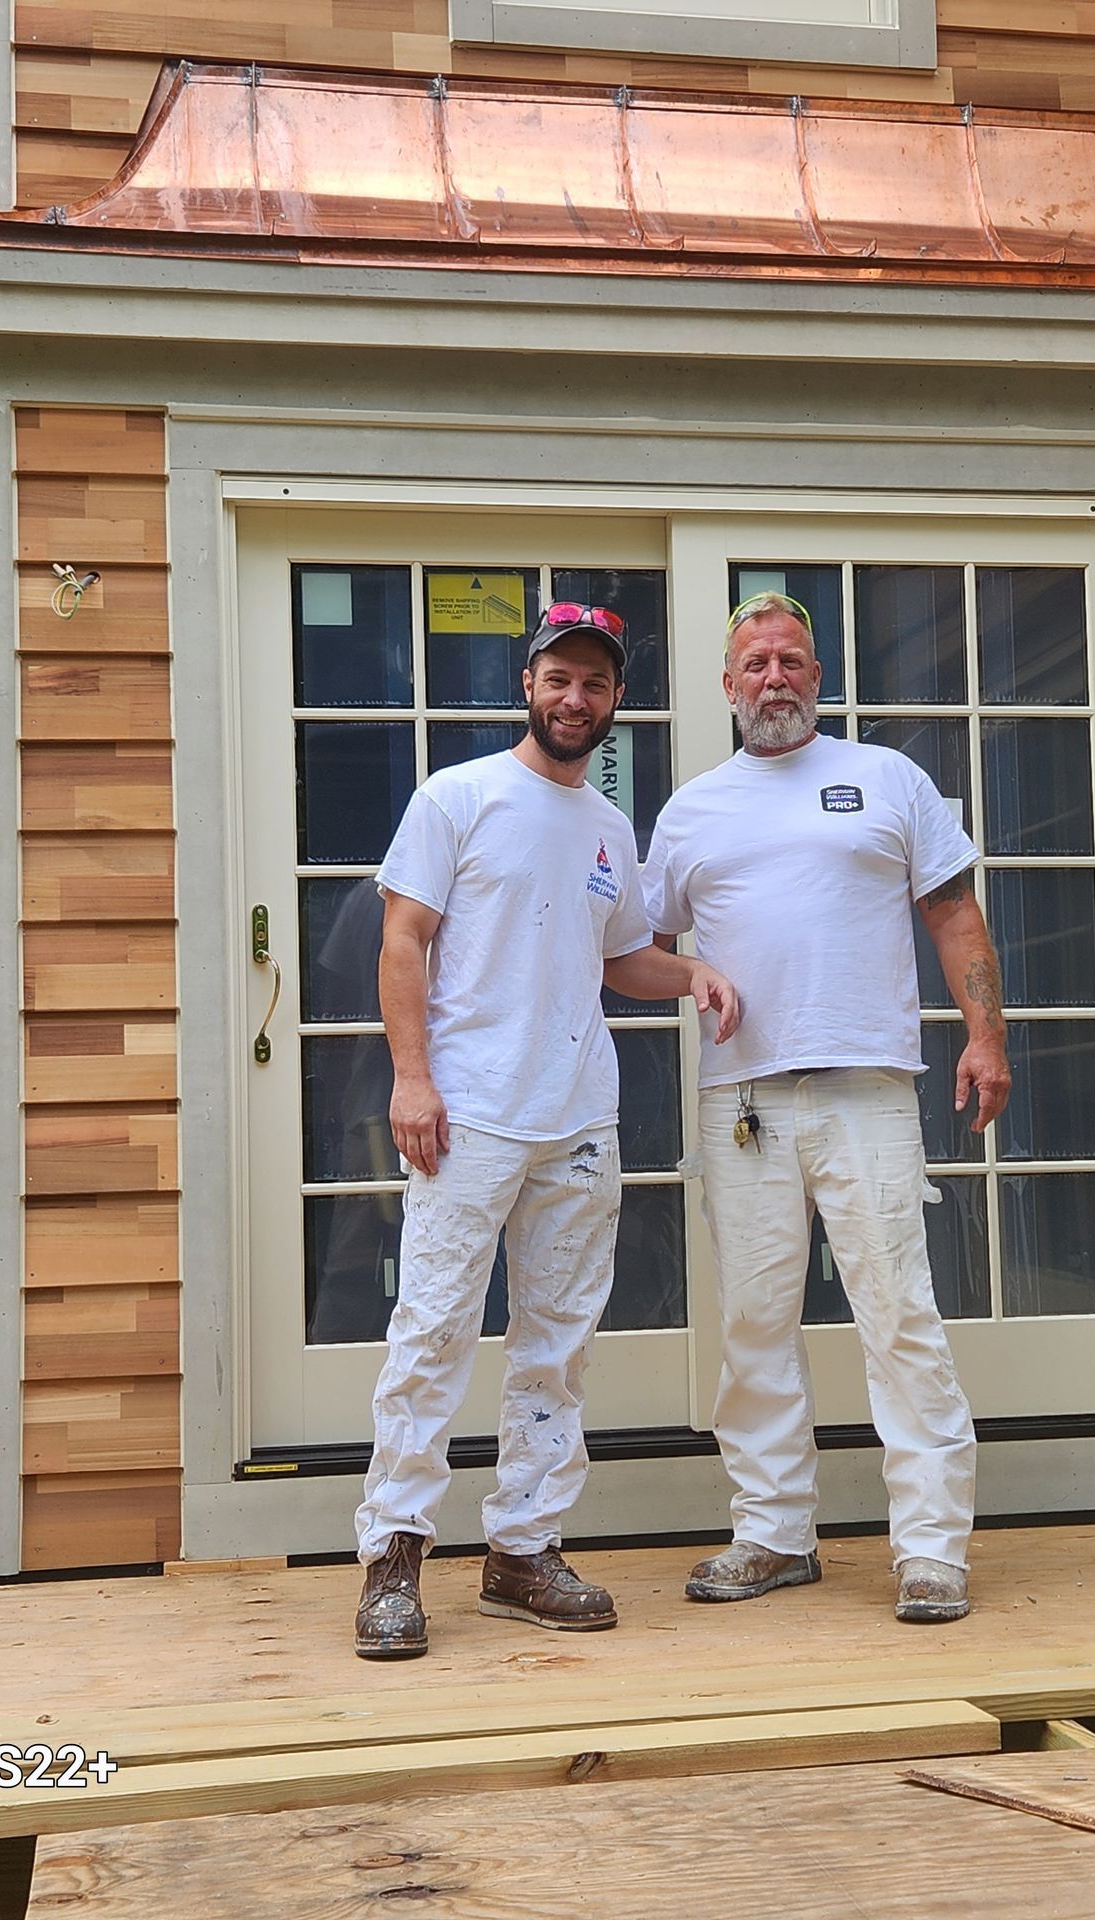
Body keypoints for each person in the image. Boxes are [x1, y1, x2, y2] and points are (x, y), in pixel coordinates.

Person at [354, 601, 740, 1660]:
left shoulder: (611, 828)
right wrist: (411, 1079)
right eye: (560, 679)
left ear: (616, 701)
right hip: (467, 1112)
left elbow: (621, 960)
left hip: (578, 1115)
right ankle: (393, 1558)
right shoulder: (459, 797)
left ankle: (523, 1550)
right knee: (431, 1333)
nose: (577, 699)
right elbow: (403, 940)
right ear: (528, 684)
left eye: (598, 685)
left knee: (556, 1347)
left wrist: (694, 969)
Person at [643, 590, 1010, 1625]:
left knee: (898, 1315)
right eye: (755, 663)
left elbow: (953, 911)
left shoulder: (885, 779)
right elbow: (639, 942)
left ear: (818, 675)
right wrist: (689, 974)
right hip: (743, 1098)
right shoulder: (692, 809)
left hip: (868, 1090)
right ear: (726, 688)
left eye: (791, 661)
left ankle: (930, 1549)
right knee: (755, 1322)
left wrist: (987, 1037)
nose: (774, 678)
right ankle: (772, 1534)